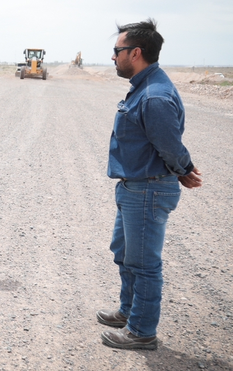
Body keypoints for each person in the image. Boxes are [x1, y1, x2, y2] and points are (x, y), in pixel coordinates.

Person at [97, 18, 203, 349]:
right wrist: (179, 167)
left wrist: (183, 167)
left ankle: (141, 331)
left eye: (117, 51)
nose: (113, 57)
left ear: (136, 52)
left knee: (144, 262)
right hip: (134, 187)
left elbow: (168, 145)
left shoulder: (154, 95)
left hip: (147, 189)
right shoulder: (145, 87)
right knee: (125, 253)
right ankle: (129, 311)